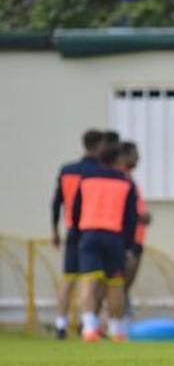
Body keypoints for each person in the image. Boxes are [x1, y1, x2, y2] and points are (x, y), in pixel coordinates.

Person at [71, 143, 138, 343]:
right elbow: (131, 218)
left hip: (89, 233)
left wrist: (76, 233)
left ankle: (89, 328)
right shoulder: (126, 183)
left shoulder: (86, 179)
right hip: (114, 237)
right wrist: (128, 244)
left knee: (89, 282)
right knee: (115, 284)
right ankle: (117, 331)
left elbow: (76, 210)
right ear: (118, 159)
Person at [50, 129, 104, 339]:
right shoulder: (98, 171)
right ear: (99, 146)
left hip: (71, 229)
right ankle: (88, 324)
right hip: (91, 228)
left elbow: (57, 203)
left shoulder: (67, 170)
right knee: (91, 280)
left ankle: (60, 325)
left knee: (68, 278)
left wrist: (55, 230)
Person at [118, 141, 150, 320]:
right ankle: (115, 322)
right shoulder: (120, 180)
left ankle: (121, 318)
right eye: (135, 153)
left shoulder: (130, 178)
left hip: (137, 238)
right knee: (119, 283)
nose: (138, 158)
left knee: (125, 284)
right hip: (127, 241)